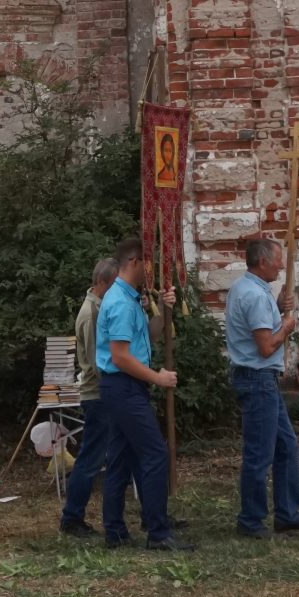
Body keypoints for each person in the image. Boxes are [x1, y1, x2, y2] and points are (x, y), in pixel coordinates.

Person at [98, 236, 193, 551]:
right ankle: (157, 532)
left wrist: (163, 313)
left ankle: (115, 531)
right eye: (149, 265)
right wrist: (158, 378)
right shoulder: (121, 303)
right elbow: (121, 356)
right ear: (135, 262)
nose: (151, 273)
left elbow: (146, 338)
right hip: (124, 386)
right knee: (154, 454)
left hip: (124, 386)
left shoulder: (129, 298)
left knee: (121, 460)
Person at [225, 237, 299, 539]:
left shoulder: (250, 289)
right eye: (278, 259)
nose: (282, 265)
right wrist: (287, 327)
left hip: (262, 380)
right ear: (263, 261)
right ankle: (251, 521)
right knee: (259, 453)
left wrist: (278, 307)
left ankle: (287, 514)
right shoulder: (253, 295)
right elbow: (266, 346)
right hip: (257, 380)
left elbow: (260, 325)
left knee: (286, 446)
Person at [57, 259, 119, 537]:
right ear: (103, 283)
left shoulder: (100, 307)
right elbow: (97, 362)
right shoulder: (91, 312)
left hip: (103, 393)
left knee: (101, 455)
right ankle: (72, 517)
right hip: (99, 394)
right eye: (115, 284)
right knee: (90, 458)